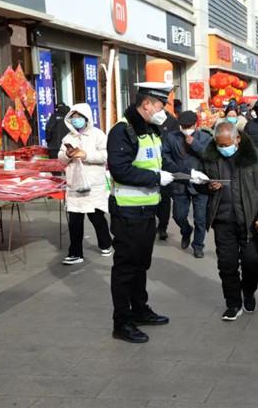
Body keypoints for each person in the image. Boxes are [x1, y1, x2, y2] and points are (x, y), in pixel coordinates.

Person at [107, 80, 176, 343]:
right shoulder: (122, 131)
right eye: (160, 105)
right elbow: (121, 170)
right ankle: (122, 323)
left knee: (140, 266)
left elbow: (160, 161)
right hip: (127, 212)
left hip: (147, 211)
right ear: (146, 104)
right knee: (126, 268)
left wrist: (186, 172)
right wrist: (155, 178)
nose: (163, 111)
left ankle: (139, 310)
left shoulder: (150, 129)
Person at [200, 122, 258, 321]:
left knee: (252, 261)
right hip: (223, 220)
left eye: (227, 144)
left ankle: (249, 291)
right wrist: (208, 186)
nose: (223, 148)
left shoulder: (257, 157)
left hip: (250, 221)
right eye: (219, 144)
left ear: (237, 139)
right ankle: (233, 303)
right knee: (227, 264)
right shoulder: (210, 157)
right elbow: (200, 184)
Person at [58, 103, 112, 265]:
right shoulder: (68, 138)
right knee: (75, 219)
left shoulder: (98, 135)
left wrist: (85, 154)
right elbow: (61, 158)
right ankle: (75, 253)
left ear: (86, 118)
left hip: (93, 185)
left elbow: (105, 155)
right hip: (75, 184)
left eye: (78, 118)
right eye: (73, 118)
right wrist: (68, 154)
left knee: (96, 217)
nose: (76, 121)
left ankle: (106, 243)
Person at [162, 110, 212, 259]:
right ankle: (186, 231)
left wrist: (194, 144)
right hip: (180, 182)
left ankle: (198, 245)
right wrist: (175, 169)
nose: (186, 128)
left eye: (189, 125)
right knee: (178, 215)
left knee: (200, 218)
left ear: (196, 124)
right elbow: (165, 156)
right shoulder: (172, 137)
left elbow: (210, 157)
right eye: (183, 126)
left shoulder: (205, 137)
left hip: (200, 184)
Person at [154, 99, 179, 241]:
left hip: (165, 164)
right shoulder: (146, 120)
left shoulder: (171, 121)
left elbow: (175, 143)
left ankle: (163, 226)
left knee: (164, 198)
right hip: (149, 165)